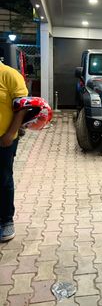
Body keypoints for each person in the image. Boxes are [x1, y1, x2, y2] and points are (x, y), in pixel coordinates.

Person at [0, 61, 28, 242]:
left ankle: (6, 220)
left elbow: (22, 107)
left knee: (3, 179)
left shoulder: (9, 75)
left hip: (3, 140)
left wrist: (10, 134)